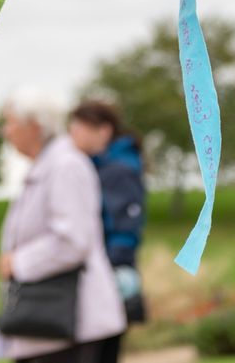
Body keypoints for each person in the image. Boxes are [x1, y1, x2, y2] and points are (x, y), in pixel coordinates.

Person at [0, 89, 126, 363]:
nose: (5, 132)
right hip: (54, 328)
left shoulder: (66, 166)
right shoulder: (50, 165)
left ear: (34, 127)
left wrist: (18, 263)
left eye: (10, 123)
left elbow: (72, 241)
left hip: (72, 326)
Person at [68, 101, 146, 363]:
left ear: (104, 131)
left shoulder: (119, 170)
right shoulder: (94, 166)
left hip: (109, 277)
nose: (73, 132)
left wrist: (109, 269)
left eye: (81, 126)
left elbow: (125, 227)